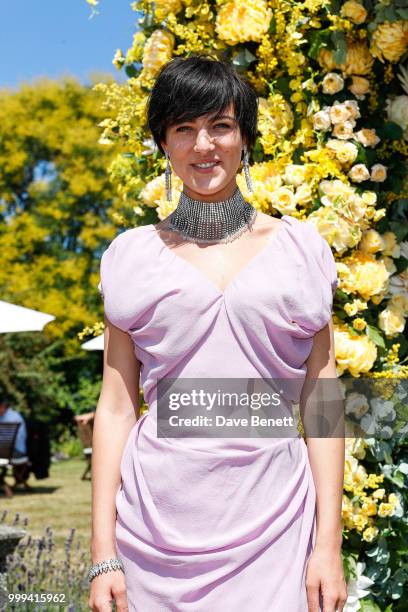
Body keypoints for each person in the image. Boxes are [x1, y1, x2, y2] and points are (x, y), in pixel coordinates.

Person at [89, 55, 347, 612]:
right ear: (163, 143)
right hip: (153, 536)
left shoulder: (303, 251)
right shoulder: (130, 257)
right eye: (184, 128)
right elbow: (114, 409)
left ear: (244, 138)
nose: (203, 144)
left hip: (277, 528)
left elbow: (324, 401)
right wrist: (104, 551)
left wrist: (329, 544)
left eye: (220, 126)